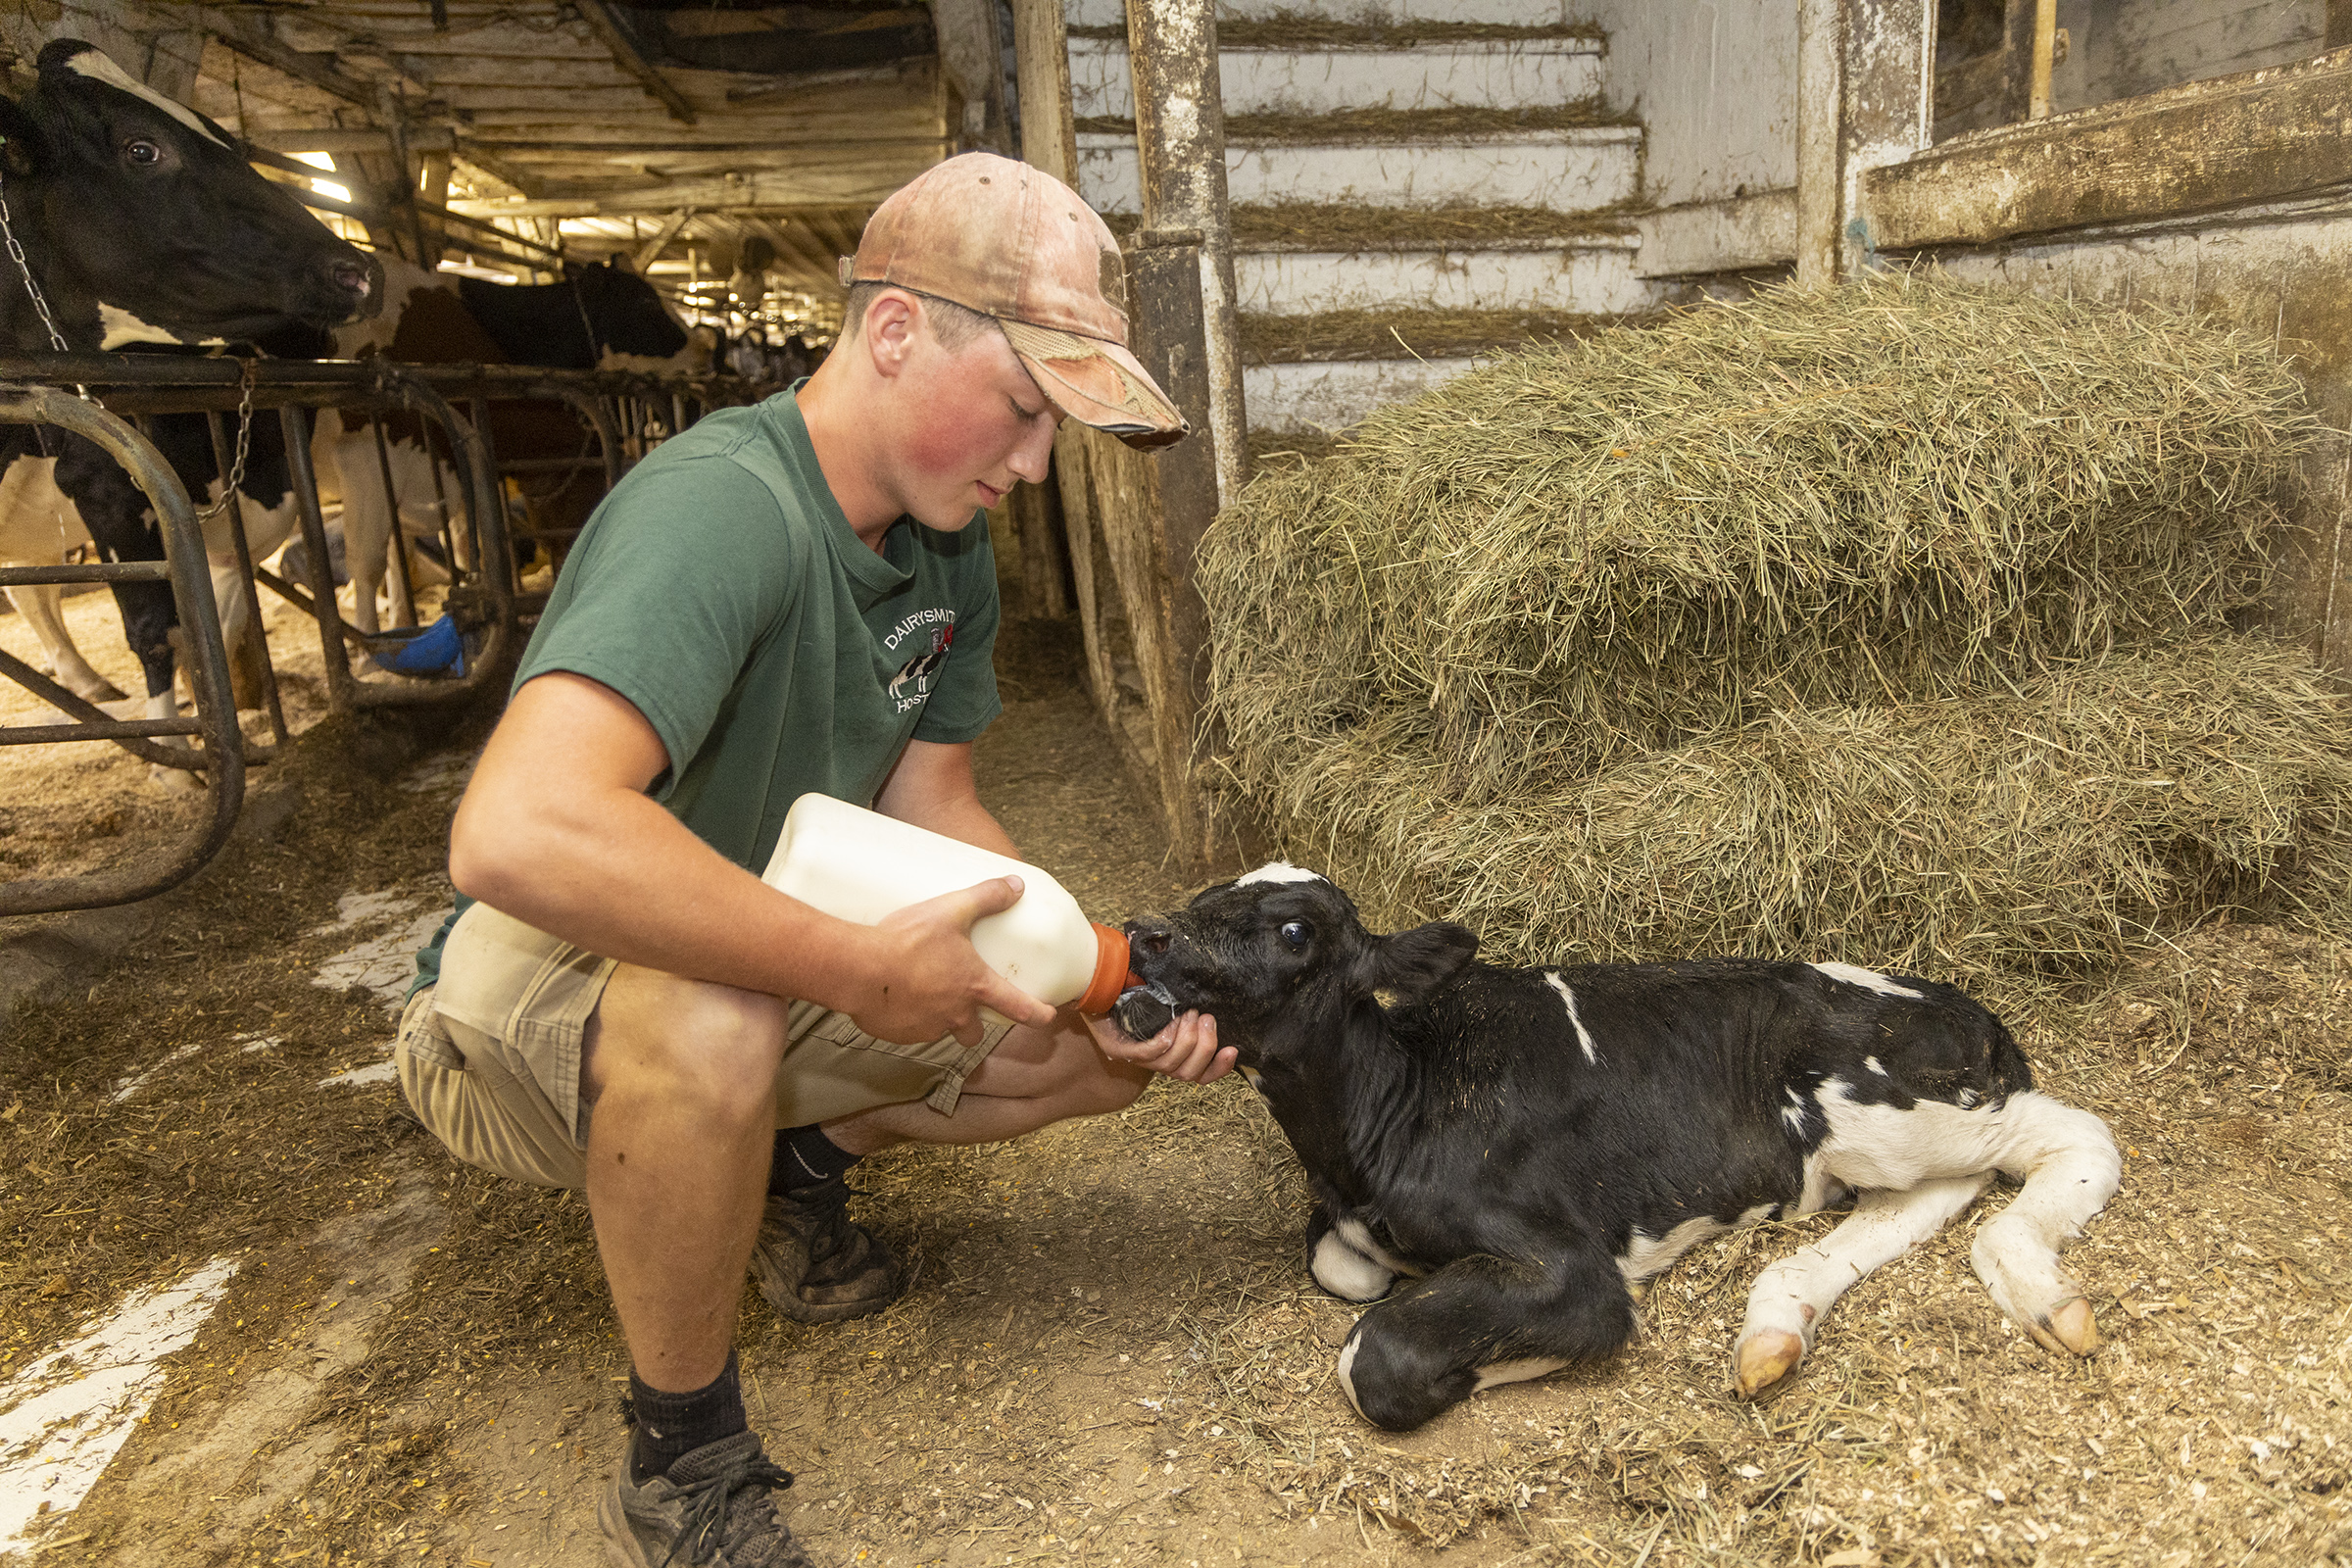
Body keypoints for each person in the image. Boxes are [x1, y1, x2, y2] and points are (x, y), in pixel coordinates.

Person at [391, 152, 1235, 1568]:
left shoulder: (942, 536)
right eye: (1026, 408)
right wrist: (853, 967)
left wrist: (1105, 975)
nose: (1033, 464)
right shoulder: (721, 509)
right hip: (523, 1006)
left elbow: (940, 806)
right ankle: (685, 1461)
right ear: (895, 331)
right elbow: (517, 829)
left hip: (747, 951)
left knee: (1085, 1049)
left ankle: (791, 1174)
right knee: (720, 1000)